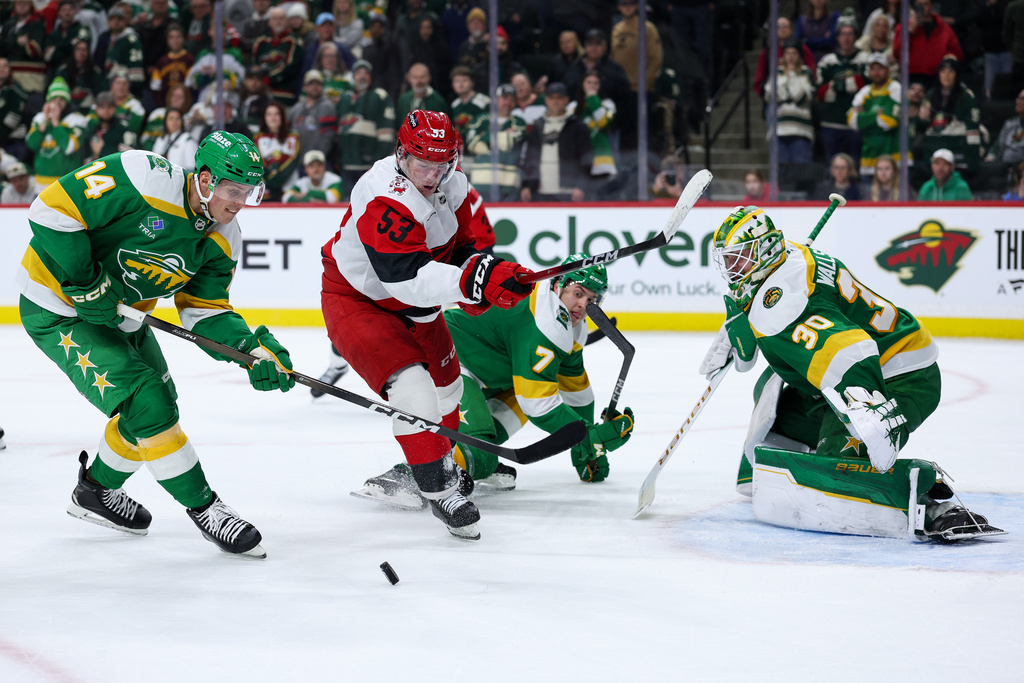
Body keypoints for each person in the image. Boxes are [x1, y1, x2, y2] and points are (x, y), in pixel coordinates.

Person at [17, 132, 295, 558]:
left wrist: (250, 350)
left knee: (159, 404)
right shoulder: (142, 176)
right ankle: (207, 509)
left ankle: (95, 491)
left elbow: (204, 310)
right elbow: (50, 210)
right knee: (149, 404)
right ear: (205, 179)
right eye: (233, 190)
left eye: (249, 192)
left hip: (122, 315)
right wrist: (86, 283)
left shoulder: (223, 236)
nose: (240, 202)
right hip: (57, 306)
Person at [699, 205, 999, 540]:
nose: (731, 267)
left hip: (901, 374)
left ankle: (932, 505)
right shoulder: (790, 254)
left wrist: (869, 412)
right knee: (777, 419)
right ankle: (818, 452)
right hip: (871, 360)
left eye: (738, 258)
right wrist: (744, 319)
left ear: (764, 251)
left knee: (840, 465)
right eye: (727, 259)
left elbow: (852, 350)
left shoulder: (785, 304)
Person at [319, 109, 536, 540]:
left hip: (414, 301)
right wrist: (472, 283)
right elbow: (406, 279)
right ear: (402, 154)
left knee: (449, 389)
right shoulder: (383, 195)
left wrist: (489, 278)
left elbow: (459, 250)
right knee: (414, 392)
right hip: (360, 299)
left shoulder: (453, 182)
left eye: (442, 163)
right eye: (423, 163)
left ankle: (442, 460)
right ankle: (439, 489)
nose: (433, 174)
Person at [352, 255, 635, 508]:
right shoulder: (545, 322)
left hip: (493, 376)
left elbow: (577, 391)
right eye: (578, 293)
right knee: (484, 454)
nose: (583, 305)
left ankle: (468, 460)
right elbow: (537, 403)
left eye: (593, 299)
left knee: (488, 442)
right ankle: (406, 475)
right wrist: (590, 438)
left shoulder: (571, 327)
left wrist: (586, 451)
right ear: (559, 284)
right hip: (452, 362)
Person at [519, 82, 593, 202]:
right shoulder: (538, 125)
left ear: (567, 100)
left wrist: (581, 186)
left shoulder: (577, 126)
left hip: (568, 191)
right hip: (539, 191)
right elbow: (530, 158)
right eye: (552, 98)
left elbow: (586, 158)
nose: (555, 101)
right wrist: (526, 185)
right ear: (546, 100)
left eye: (559, 98)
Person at [335, 59, 396, 196]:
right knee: (347, 205)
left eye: (366, 73)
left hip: (369, 166)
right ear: (353, 76)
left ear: (371, 77)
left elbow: (386, 133)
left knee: (369, 202)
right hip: (347, 163)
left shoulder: (380, 96)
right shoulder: (345, 97)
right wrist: (339, 157)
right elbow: (339, 130)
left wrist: (378, 160)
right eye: (358, 73)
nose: (362, 76)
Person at [816, 19, 869, 169]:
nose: (846, 38)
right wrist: (850, 84)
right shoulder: (828, 61)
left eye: (850, 34)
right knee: (832, 169)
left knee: (856, 168)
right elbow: (821, 92)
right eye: (843, 34)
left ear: (856, 36)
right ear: (837, 37)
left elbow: (864, 85)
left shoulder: (864, 59)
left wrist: (835, 85)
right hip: (830, 124)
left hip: (856, 125)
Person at [465, 83, 526, 201]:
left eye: (512, 100)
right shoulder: (481, 119)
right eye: (504, 98)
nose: (508, 102)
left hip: (509, 184)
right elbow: (472, 144)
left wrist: (484, 138)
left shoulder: (519, 123)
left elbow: (510, 142)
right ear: (495, 100)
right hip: (482, 182)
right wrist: (504, 136)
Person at [847, 53, 902, 177]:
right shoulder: (864, 92)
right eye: (873, 69)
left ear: (887, 70)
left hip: (893, 159)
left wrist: (865, 116)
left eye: (880, 68)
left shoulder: (896, 88)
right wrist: (875, 114)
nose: (876, 73)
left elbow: (889, 121)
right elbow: (852, 121)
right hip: (869, 160)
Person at [764, 39, 816, 164]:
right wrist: (789, 89)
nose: (791, 57)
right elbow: (774, 97)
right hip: (780, 130)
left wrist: (791, 76)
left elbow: (802, 98)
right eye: (788, 53)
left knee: (801, 172)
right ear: (783, 55)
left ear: (799, 56)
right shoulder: (776, 72)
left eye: (794, 53)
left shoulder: (806, 72)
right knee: (781, 172)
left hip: (801, 131)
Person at [892, 0, 963, 90]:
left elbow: (957, 54)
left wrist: (944, 58)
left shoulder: (944, 28)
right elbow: (897, 53)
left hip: (936, 78)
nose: (923, 8)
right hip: (910, 77)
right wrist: (909, 31)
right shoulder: (903, 27)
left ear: (932, 6)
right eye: (919, 5)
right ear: (914, 7)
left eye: (926, 4)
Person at [26, 78, 84, 186]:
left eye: (61, 99)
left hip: (67, 181)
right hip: (40, 182)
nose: (57, 102)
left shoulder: (76, 120)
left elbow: (69, 148)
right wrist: (44, 123)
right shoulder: (39, 119)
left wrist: (55, 123)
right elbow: (31, 145)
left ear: (67, 101)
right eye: (54, 99)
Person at [254, 101, 300, 202]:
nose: (273, 118)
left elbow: (293, 161)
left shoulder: (293, 137)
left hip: (289, 187)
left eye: (277, 114)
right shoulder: (258, 138)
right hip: (266, 188)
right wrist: (270, 181)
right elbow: (259, 162)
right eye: (269, 114)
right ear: (264, 117)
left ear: (283, 117)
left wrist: (277, 180)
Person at [289, 70, 338, 163]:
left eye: (318, 83)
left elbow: (329, 136)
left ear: (322, 86)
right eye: (311, 83)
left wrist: (317, 158)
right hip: (296, 162)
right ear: (305, 86)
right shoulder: (296, 108)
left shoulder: (327, 107)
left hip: (317, 162)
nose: (315, 87)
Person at [986, 89, 1024, 162]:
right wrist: (991, 157)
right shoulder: (1010, 123)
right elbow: (997, 147)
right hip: (1005, 167)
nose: (1017, 101)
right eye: (1018, 98)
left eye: (1022, 99)